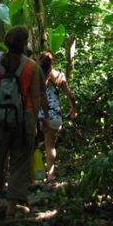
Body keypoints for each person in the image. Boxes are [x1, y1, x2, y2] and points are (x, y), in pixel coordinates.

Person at [0, 26, 45, 217]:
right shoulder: (32, 66)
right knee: (19, 162)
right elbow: (36, 97)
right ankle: (11, 208)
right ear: (24, 45)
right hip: (24, 119)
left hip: (0, 118)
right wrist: (37, 122)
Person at [37, 51, 77, 182]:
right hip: (54, 115)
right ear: (52, 62)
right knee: (50, 145)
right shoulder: (59, 76)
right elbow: (70, 95)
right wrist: (73, 108)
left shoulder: (35, 76)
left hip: (38, 115)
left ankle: (33, 175)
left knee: (32, 145)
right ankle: (50, 175)